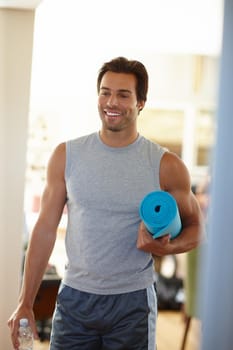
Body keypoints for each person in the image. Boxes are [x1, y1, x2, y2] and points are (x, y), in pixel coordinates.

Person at [8, 56, 204, 350]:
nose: (111, 102)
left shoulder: (165, 165)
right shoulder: (66, 155)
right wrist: (25, 302)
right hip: (75, 297)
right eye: (105, 92)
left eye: (123, 95)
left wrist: (167, 247)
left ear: (141, 102)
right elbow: (45, 228)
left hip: (132, 302)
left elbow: (196, 228)